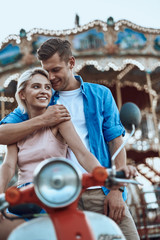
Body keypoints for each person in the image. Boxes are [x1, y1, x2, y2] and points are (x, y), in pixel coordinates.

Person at [0, 38, 140, 240]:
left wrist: (115, 187)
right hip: (58, 193)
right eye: (46, 70)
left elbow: (109, 144)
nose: (50, 78)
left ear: (71, 63)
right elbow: (5, 136)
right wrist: (44, 119)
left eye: (55, 70)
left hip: (97, 187)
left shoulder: (99, 95)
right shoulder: (44, 101)